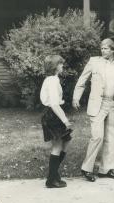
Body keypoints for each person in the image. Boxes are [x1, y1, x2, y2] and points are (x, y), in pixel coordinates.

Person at [72, 38, 114, 182]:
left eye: (106, 48)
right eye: (102, 48)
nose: (103, 51)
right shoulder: (94, 62)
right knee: (97, 137)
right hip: (98, 103)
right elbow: (82, 80)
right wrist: (76, 97)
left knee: (111, 137)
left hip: (112, 104)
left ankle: (106, 169)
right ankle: (86, 169)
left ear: (113, 50)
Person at [40, 55, 72, 188]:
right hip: (53, 115)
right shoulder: (52, 81)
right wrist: (65, 121)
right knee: (58, 146)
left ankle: (53, 175)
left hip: (53, 114)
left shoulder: (52, 79)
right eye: (60, 64)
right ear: (54, 66)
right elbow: (54, 104)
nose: (62, 66)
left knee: (66, 141)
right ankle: (51, 179)